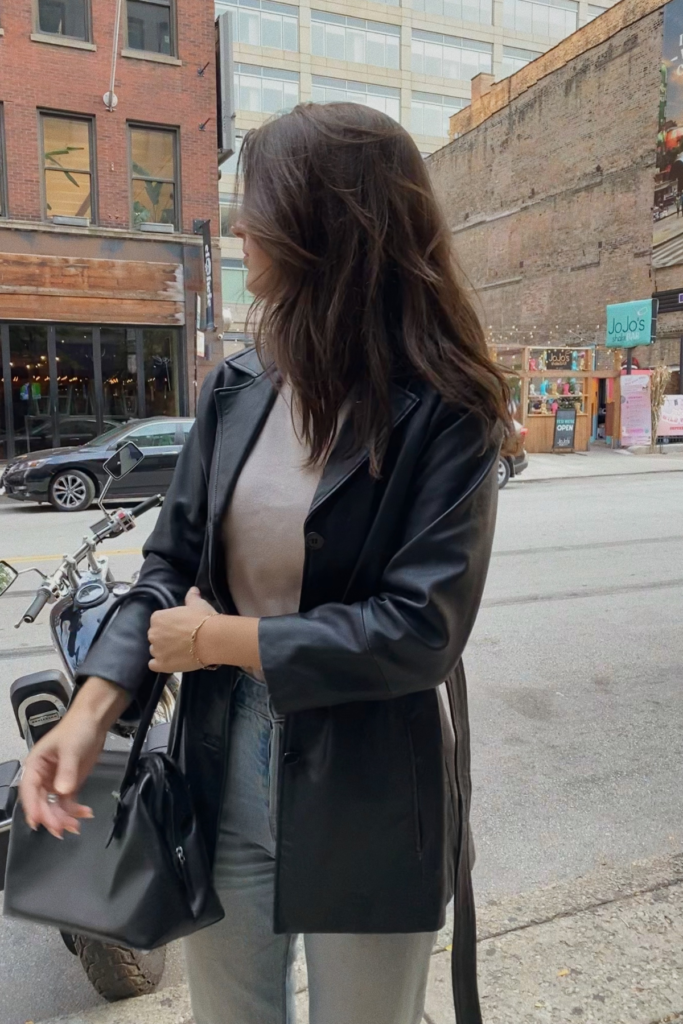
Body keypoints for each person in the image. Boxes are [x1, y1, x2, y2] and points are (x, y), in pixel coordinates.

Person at [19, 103, 509, 1024]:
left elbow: (421, 632)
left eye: (258, 206)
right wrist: (89, 716)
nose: (239, 227)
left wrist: (219, 638)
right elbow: (165, 565)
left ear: (333, 225)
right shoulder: (238, 388)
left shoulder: (447, 410)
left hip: (367, 777)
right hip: (220, 751)